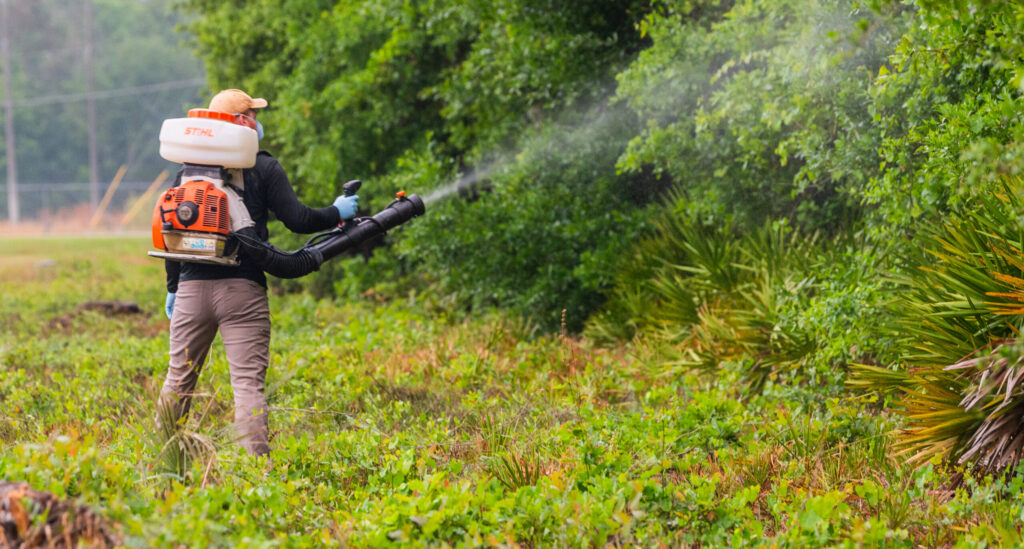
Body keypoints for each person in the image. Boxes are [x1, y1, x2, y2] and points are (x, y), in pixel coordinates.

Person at [158, 89, 359, 456]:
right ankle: (255, 471)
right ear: (239, 122)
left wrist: (174, 286)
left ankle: (163, 455)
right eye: (251, 114)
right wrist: (337, 211)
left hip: (191, 291)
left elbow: (172, 232)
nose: (256, 120)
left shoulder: (187, 173)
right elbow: (299, 220)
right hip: (243, 290)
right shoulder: (263, 166)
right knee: (247, 384)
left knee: (179, 379)